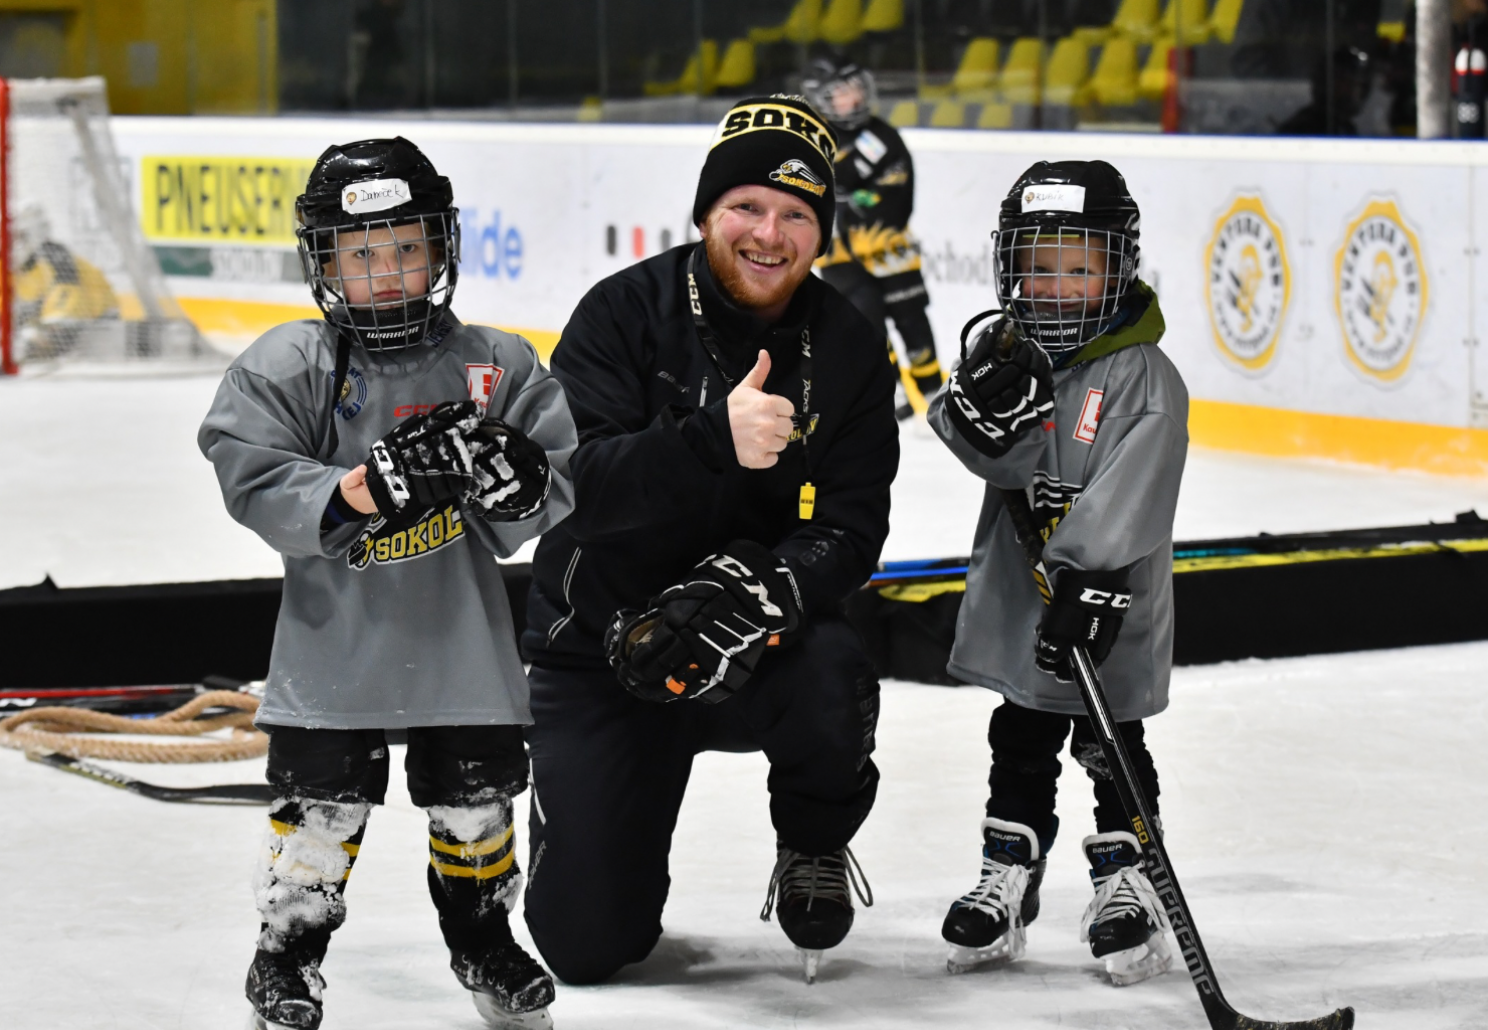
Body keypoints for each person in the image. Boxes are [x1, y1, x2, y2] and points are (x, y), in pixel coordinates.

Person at [199, 137, 576, 1030]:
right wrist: (360, 488)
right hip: (335, 649)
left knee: (477, 805)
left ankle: (485, 939)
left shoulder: (498, 365)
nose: (387, 272)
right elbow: (245, 469)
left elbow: (548, 488)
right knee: (321, 814)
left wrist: (521, 486)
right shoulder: (291, 365)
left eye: (406, 248)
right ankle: (286, 955)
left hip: (464, 649)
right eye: (361, 255)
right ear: (324, 263)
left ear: (441, 249)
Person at [521, 95, 898, 986]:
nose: (770, 234)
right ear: (706, 215)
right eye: (748, 208)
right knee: (586, 947)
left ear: (822, 234)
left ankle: (812, 838)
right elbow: (576, 488)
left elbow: (854, 524)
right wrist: (707, 441)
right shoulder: (620, 314)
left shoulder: (848, 344)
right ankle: (579, 823)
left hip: (757, 645)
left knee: (832, 669)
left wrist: (773, 588)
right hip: (605, 647)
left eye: (798, 215)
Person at [926, 160, 1189, 986]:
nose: (1059, 286)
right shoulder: (1010, 352)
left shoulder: (1145, 379)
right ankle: (1010, 875)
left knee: (1115, 749)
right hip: (1024, 602)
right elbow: (984, 450)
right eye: (1040, 267)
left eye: (1080, 268)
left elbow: (1134, 490)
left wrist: (1087, 573)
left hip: (1107, 604)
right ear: (1009, 265)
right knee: (1021, 737)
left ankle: (1127, 881)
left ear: (1119, 267)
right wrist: (975, 418)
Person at [802, 57, 943, 419]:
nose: (855, 98)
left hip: (885, 247)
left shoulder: (883, 137)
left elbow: (894, 200)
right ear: (822, 99)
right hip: (836, 254)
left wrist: (852, 196)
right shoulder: (811, 141)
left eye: (857, 89)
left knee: (911, 319)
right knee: (864, 326)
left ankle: (933, 391)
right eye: (843, 92)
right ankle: (892, 390)